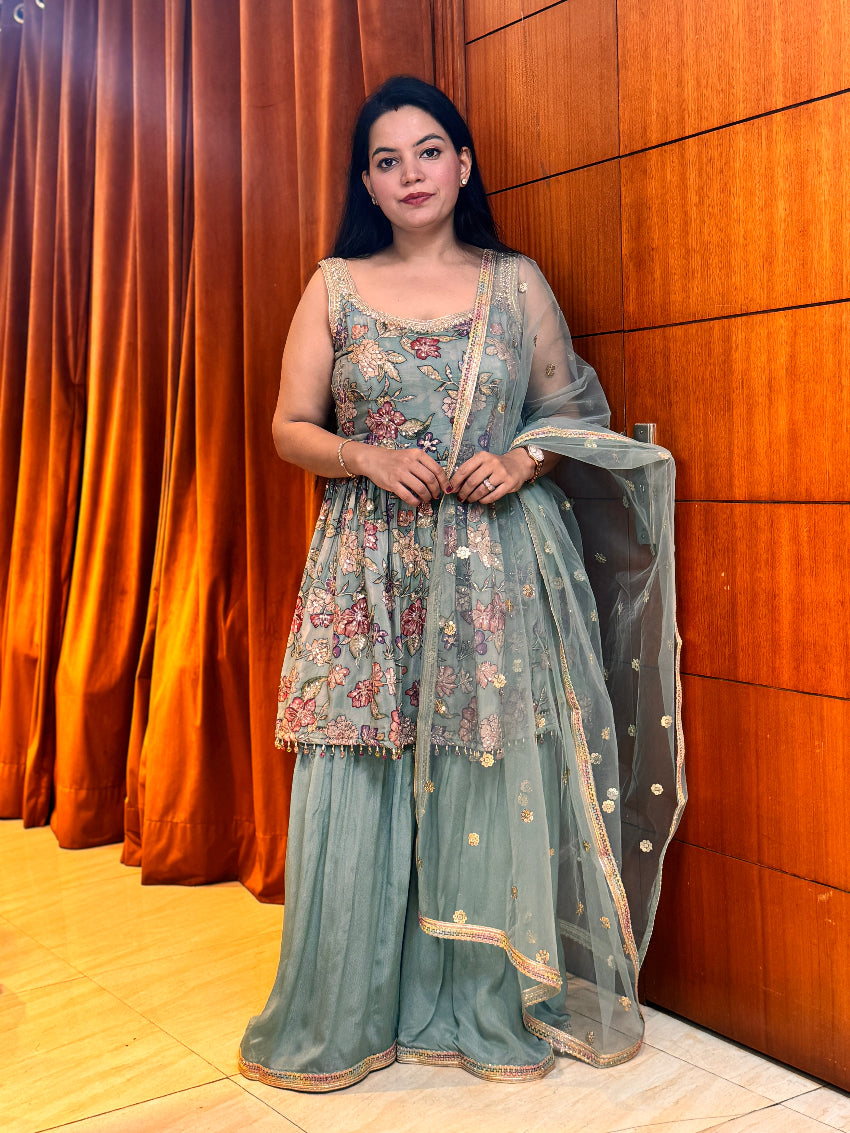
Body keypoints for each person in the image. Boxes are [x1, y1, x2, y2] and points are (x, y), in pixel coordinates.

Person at [239, 75, 684, 1092]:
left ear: (462, 163)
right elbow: (287, 425)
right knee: (359, 768)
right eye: (388, 159)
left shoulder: (514, 282)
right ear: (366, 179)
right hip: (367, 562)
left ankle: (479, 1007)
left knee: (479, 768)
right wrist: (363, 458)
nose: (410, 173)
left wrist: (523, 460)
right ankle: (343, 1016)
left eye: (428, 151)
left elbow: (571, 412)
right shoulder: (333, 284)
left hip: (489, 564)